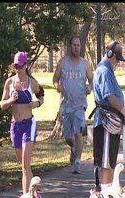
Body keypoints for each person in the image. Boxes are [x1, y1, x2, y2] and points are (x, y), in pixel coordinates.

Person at [0, 51, 44, 194]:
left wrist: (36, 103)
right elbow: (2, 104)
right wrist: (11, 100)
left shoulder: (32, 83)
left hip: (28, 124)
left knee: (25, 165)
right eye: (15, 66)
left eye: (20, 66)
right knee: (24, 166)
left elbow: (41, 96)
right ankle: (33, 193)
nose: (18, 69)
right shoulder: (9, 82)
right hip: (15, 126)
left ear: (26, 65)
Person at [92, 40, 125, 191]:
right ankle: (105, 195)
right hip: (106, 122)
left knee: (109, 160)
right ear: (109, 54)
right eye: (117, 59)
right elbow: (109, 96)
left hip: (109, 122)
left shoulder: (107, 70)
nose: (117, 62)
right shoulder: (104, 71)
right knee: (106, 162)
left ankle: (107, 192)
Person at [53, 35, 94, 174]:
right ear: (70, 47)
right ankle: (72, 148)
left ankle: (77, 162)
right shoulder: (63, 63)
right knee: (68, 137)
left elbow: (92, 80)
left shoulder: (85, 64)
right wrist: (57, 86)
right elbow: (55, 78)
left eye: (78, 45)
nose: (76, 47)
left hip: (79, 105)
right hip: (66, 105)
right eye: (74, 45)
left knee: (78, 133)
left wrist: (90, 87)